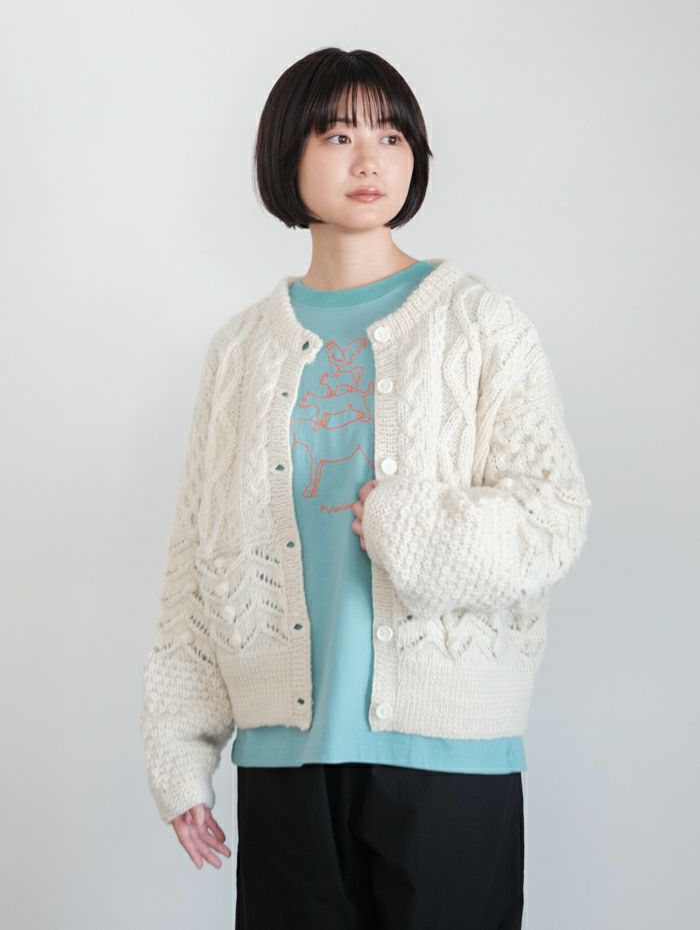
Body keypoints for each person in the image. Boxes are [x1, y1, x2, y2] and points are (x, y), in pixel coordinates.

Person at [139, 46, 591, 929]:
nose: (369, 159)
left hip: (448, 762)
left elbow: (552, 521)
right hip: (285, 764)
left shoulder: (481, 324)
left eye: (391, 135)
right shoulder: (241, 352)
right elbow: (197, 561)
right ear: (287, 155)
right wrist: (180, 749)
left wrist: (406, 525)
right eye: (338, 135)